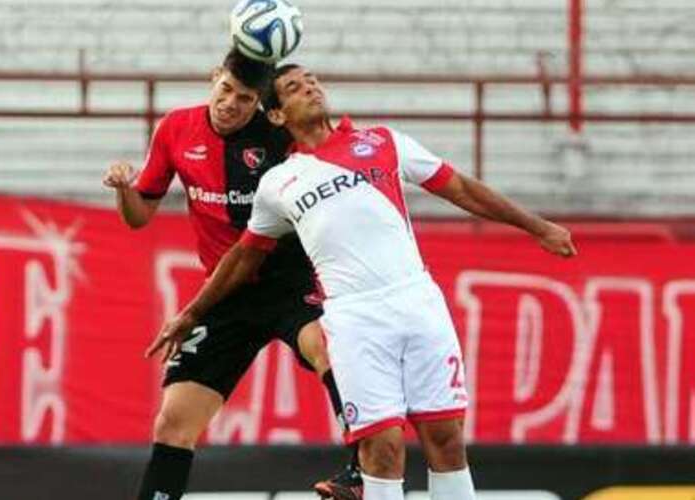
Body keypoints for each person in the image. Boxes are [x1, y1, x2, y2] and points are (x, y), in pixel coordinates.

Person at [146, 63, 578, 500]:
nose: (310, 88)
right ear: (276, 115)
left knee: (446, 439)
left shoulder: (384, 142)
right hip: (355, 319)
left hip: (418, 301)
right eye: (294, 88)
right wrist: (192, 312)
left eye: (312, 80)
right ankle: (357, 476)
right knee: (383, 448)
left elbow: (460, 188)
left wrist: (537, 226)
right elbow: (243, 255)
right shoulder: (278, 183)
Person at [103, 50, 361, 500]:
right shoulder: (174, 129)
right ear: (213, 79)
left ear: (259, 104)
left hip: (288, 280)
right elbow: (139, 215)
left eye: (245, 99)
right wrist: (125, 190)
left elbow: (329, 154)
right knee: (174, 421)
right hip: (224, 292)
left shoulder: (278, 135)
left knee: (328, 348)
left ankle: (360, 470)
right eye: (225, 91)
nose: (231, 105)